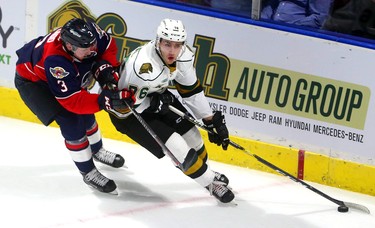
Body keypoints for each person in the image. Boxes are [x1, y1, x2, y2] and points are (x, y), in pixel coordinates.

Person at [103, 18, 235, 203]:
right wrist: (151, 104)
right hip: (129, 115)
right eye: (167, 44)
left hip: (158, 98)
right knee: (177, 146)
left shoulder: (184, 55)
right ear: (158, 41)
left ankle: (205, 172)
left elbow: (191, 90)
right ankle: (210, 183)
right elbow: (125, 106)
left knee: (194, 138)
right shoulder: (143, 67)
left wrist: (209, 119)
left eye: (177, 45)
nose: (172, 50)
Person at [14, 18, 135, 194]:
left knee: (87, 116)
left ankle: (97, 150)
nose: (93, 49)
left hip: (61, 72)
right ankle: (88, 172)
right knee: (71, 121)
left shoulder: (89, 34)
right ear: (70, 47)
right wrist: (104, 101)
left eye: (92, 44)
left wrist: (107, 70)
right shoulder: (56, 61)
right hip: (34, 82)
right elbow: (72, 101)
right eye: (87, 48)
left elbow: (107, 45)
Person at [261, 0, 334, 29]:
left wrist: (290, 27)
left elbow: (319, 18)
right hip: (267, 28)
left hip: (297, 36)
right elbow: (271, 5)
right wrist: (260, 21)